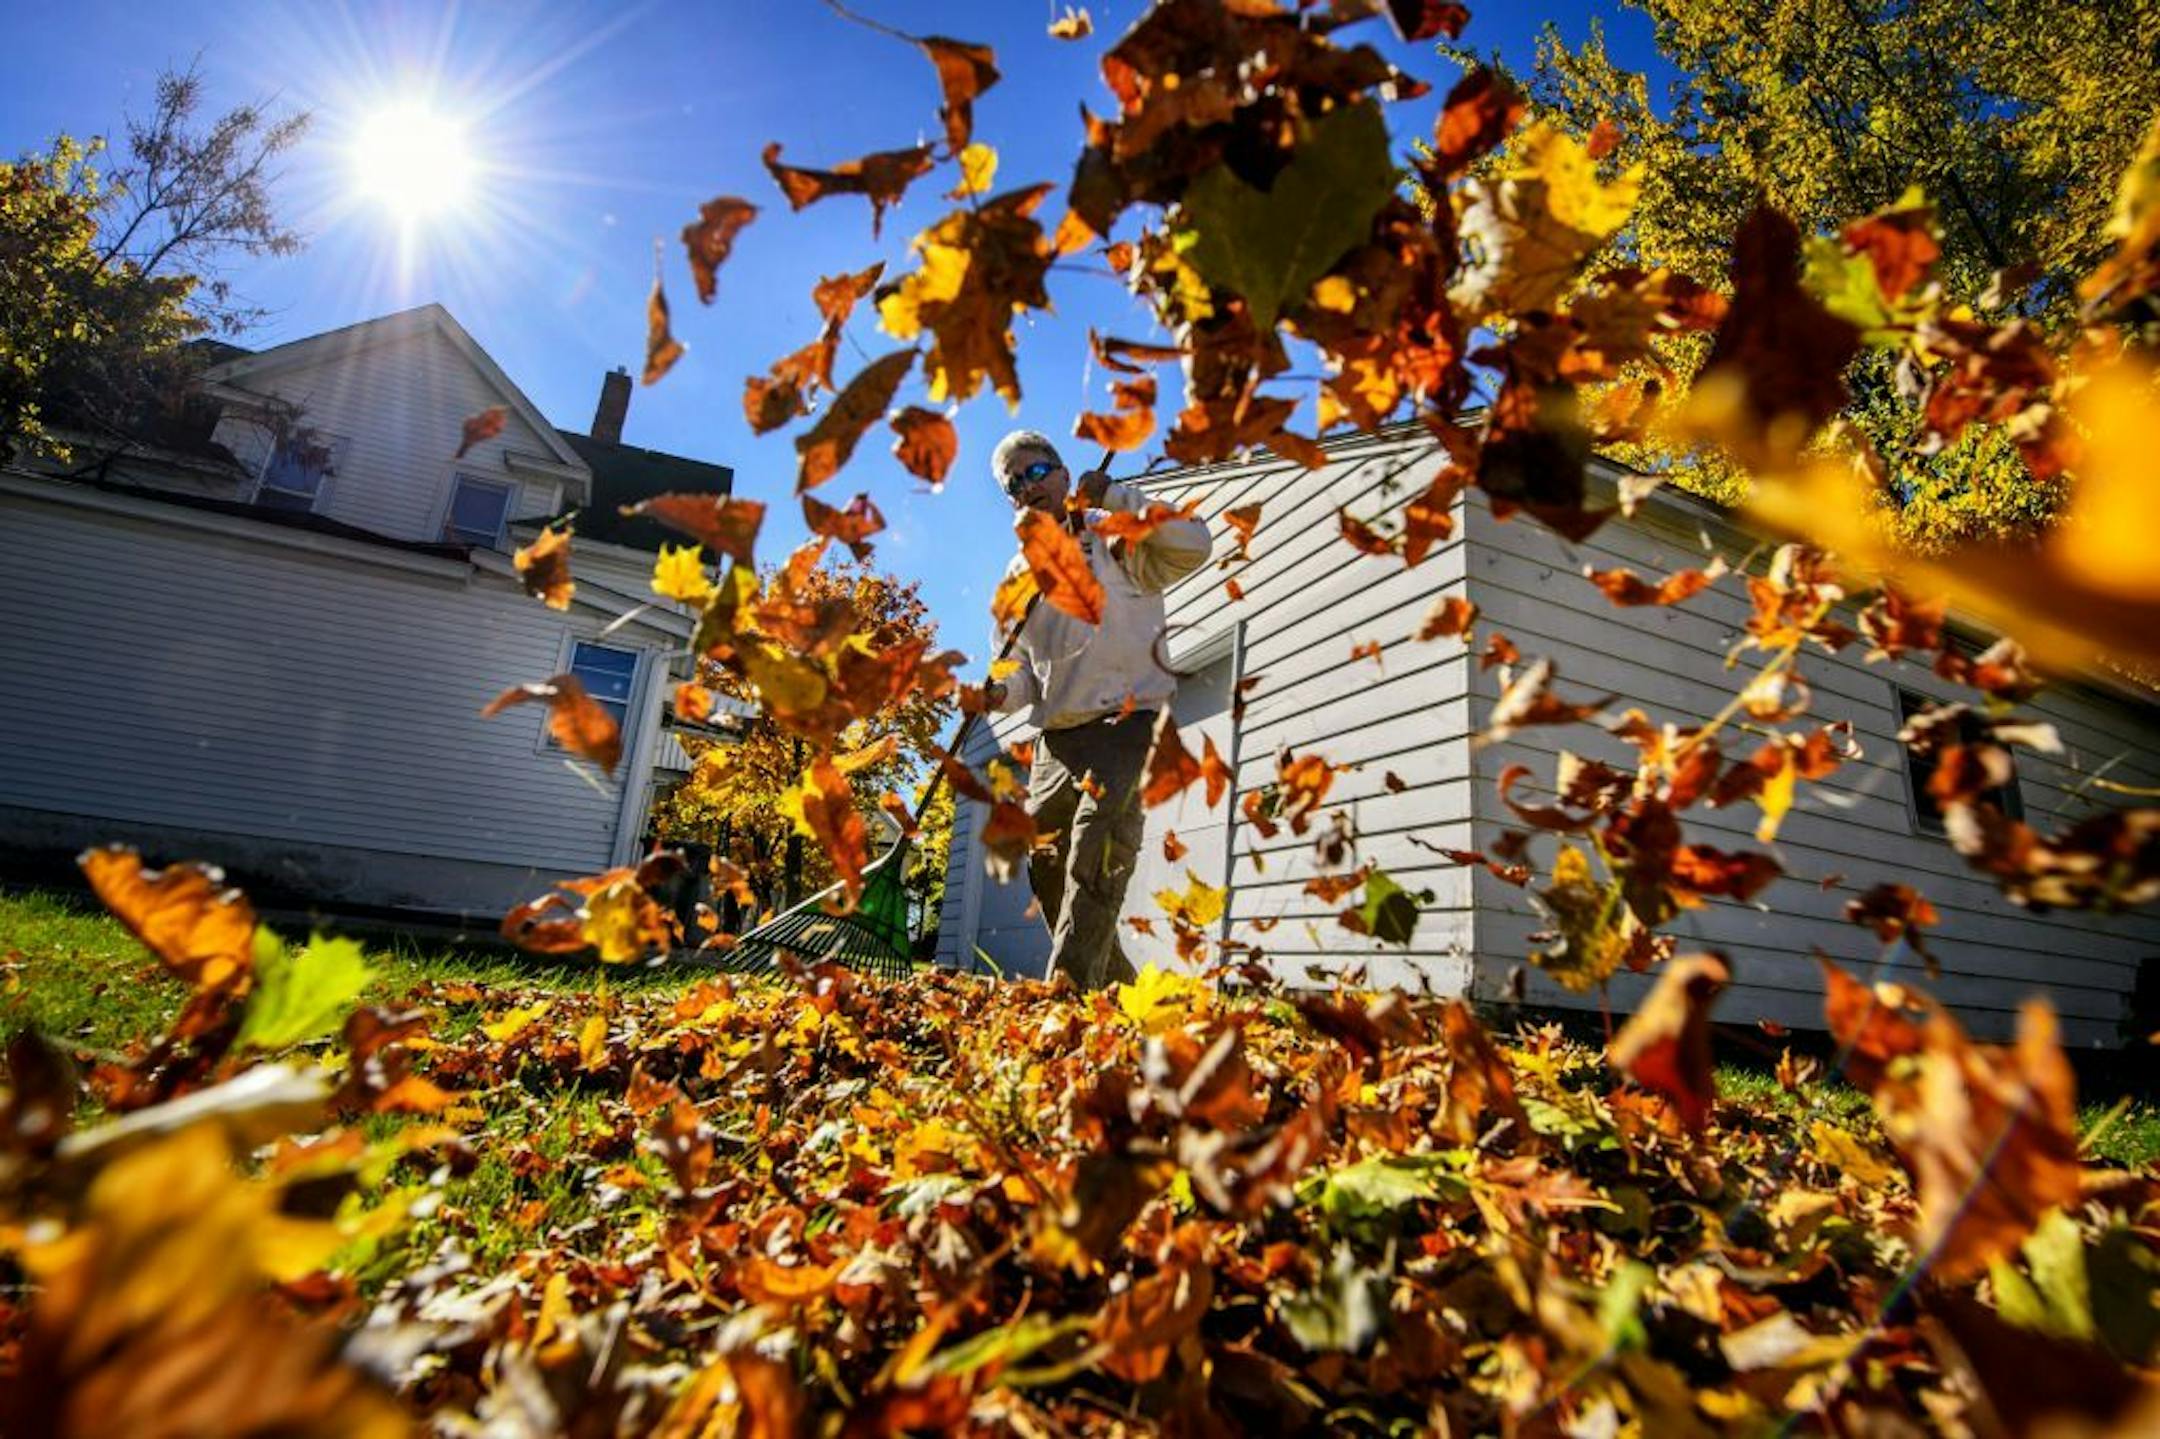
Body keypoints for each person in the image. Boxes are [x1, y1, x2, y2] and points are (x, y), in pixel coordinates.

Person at [981, 430, 1213, 991]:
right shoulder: (1016, 579)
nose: (1027, 487)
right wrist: (996, 695)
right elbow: (1021, 681)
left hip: (1127, 721)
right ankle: (1122, 993)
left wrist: (1119, 497)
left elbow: (1194, 543)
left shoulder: (1111, 534)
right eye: (1015, 483)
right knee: (1046, 865)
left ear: (1063, 473)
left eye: (1036, 472)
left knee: (1096, 852)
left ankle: (1065, 997)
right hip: (1057, 740)